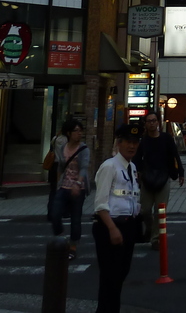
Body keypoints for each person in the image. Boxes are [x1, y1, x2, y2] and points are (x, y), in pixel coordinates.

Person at [92, 123, 142, 313]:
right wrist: (112, 228)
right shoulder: (109, 167)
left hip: (128, 226)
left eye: (135, 142)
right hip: (109, 226)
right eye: (128, 142)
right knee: (110, 277)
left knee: (121, 274)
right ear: (119, 143)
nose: (132, 146)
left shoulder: (131, 167)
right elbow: (100, 203)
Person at [133, 111, 184, 247]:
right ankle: (150, 229)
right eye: (149, 121)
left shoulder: (166, 138)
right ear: (146, 124)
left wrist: (180, 172)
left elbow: (174, 155)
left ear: (158, 122)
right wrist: (137, 173)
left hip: (163, 177)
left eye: (154, 120)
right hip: (147, 178)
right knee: (145, 210)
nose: (152, 123)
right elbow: (137, 158)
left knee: (160, 210)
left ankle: (155, 239)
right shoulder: (143, 140)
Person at [49, 118, 91, 260]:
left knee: (75, 218)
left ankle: (73, 247)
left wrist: (78, 185)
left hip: (79, 188)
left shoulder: (84, 149)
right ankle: (61, 237)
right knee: (55, 214)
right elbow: (61, 166)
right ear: (68, 133)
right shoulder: (63, 148)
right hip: (64, 185)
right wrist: (57, 185)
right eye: (76, 131)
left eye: (80, 131)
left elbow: (84, 168)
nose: (79, 134)